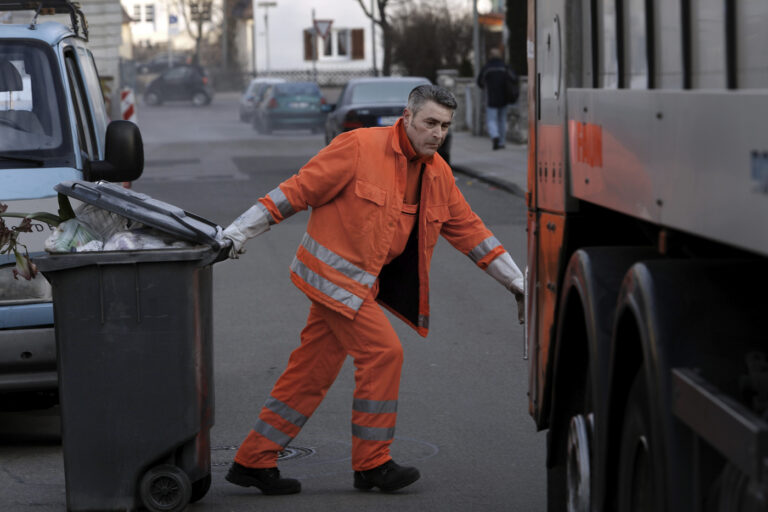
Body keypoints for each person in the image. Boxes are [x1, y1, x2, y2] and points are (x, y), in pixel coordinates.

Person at [221, 84, 525, 495]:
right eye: (430, 123)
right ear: (407, 117)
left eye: (445, 126)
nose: (436, 134)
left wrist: (517, 281)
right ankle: (372, 464)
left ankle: (252, 460)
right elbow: (296, 191)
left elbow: (470, 231)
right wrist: (237, 233)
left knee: (311, 371)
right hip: (330, 278)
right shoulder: (358, 146)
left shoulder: (438, 173)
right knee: (383, 353)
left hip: (360, 285)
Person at [476, 48, 518, 150]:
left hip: (491, 98)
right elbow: (514, 79)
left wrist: (485, 86)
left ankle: (495, 136)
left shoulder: (487, 68)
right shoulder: (505, 67)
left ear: (490, 56)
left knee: (491, 120)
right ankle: (502, 142)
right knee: (502, 120)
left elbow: (479, 82)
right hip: (504, 98)